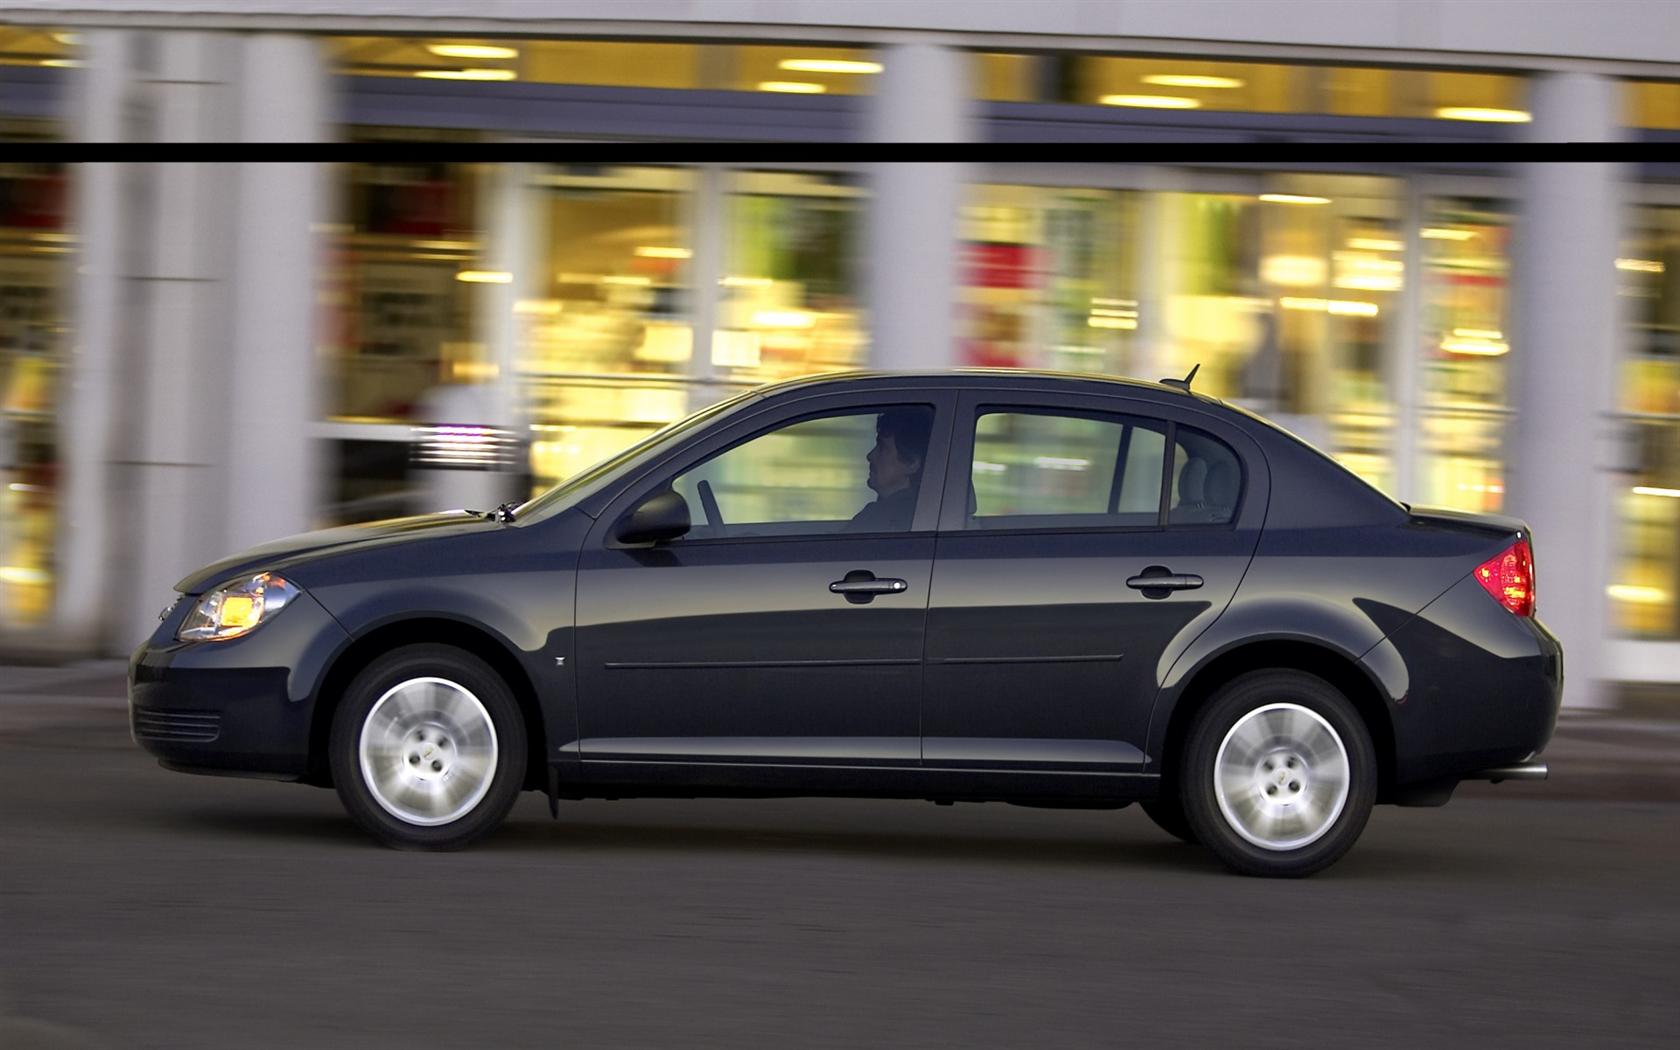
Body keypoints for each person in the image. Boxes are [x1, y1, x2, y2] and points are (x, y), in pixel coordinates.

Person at [845, 407, 932, 533]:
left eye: (882, 448)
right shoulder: (921, 513)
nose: (870, 455)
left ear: (911, 464)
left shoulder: (880, 519)